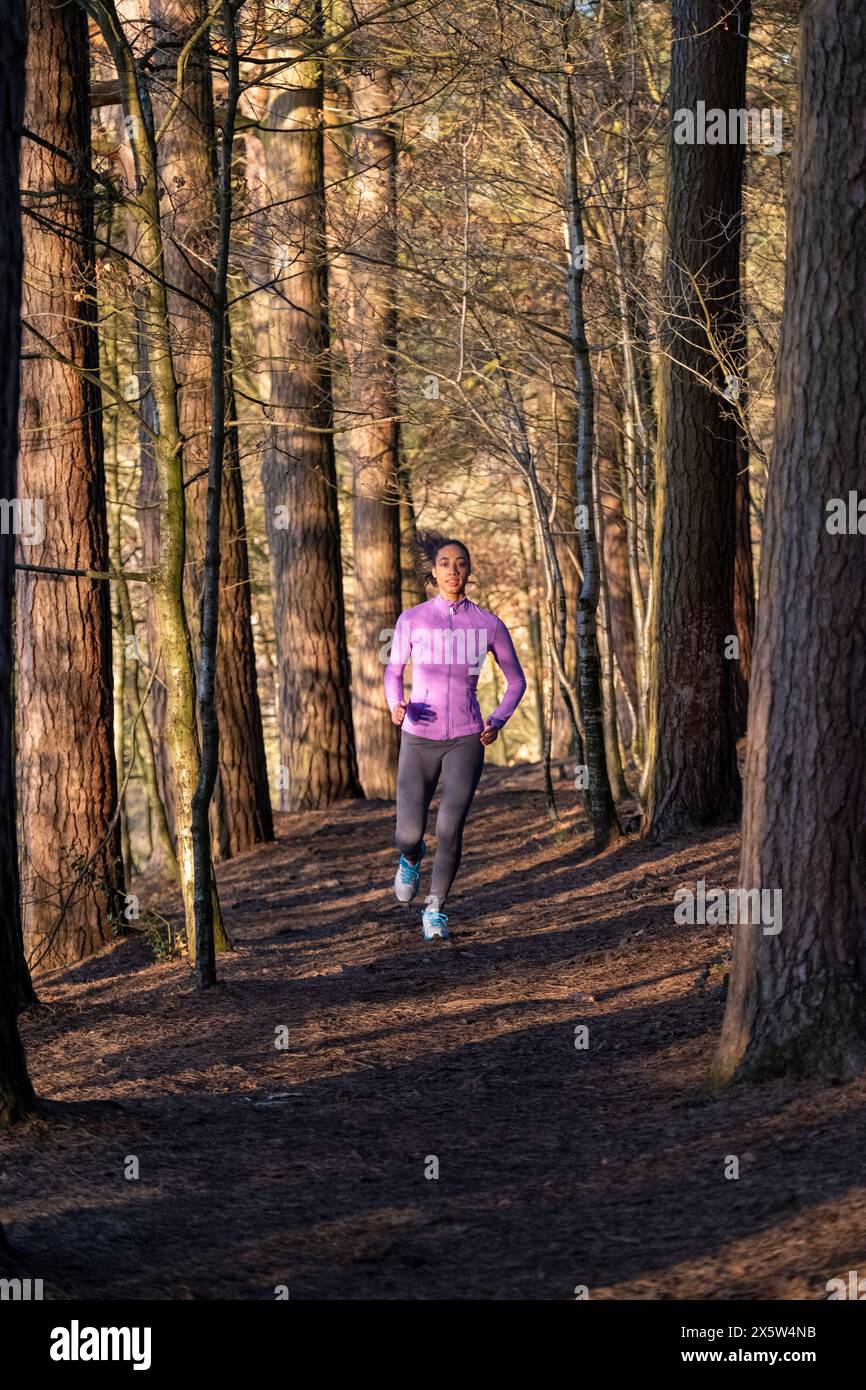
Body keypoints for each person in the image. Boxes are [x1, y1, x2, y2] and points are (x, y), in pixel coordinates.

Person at [384, 533, 527, 940]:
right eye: (445, 563)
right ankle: (410, 858)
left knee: (450, 828)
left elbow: (516, 680)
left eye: (461, 563)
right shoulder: (412, 619)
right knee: (408, 832)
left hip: (466, 737)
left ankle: (434, 909)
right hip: (418, 736)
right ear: (433, 570)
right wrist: (396, 704)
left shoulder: (487, 624)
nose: (453, 570)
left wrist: (497, 720)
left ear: (469, 571)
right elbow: (393, 671)